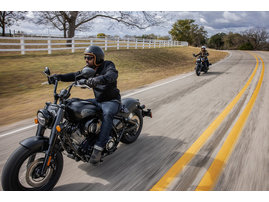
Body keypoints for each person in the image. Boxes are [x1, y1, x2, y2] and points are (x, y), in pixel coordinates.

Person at [48, 45, 121, 165]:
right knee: (71, 104)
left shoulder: (108, 65)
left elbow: (112, 75)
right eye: (85, 58)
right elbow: (75, 75)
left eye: (89, 58)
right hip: (98, 100)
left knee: (107, 114)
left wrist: (98, 79)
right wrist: (58, 77)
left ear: (97, 58)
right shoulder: (88, 69)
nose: (86, 60)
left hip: (111, 101)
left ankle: (99, 148)